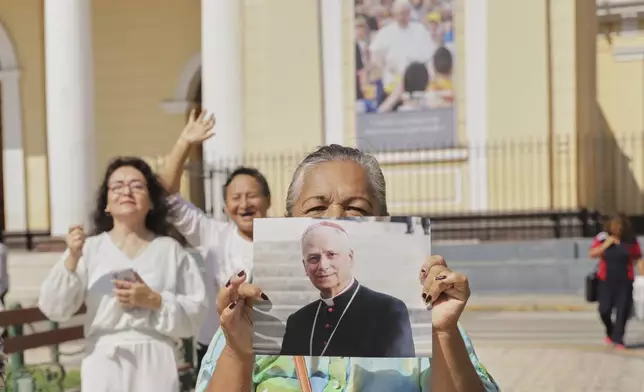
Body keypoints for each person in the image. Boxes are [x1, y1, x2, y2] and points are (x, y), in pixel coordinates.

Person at [196, 144, 499, 392]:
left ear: (383, 222)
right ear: (289, 222)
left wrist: (443, 335)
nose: (336, 218)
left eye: (356, 209)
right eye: (316, 208)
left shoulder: (412, 316)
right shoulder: (254, 318)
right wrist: (238, 353)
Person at [38, 157, 208, 392]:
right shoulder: (89, 249)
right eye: (117, 186)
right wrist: (72, 258)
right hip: (104, 361)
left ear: (151, 201)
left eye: (137, 186)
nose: (126, 191)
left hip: (156, 360)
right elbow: (54, 308)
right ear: (106, 204)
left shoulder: (170, 251)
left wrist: (155, 301)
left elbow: (195, 314)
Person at [158, 109, 272, 371]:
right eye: (236, 198)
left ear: (267, 200)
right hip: (217, 346)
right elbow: (166, 197)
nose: (244, 204)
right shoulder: (212, 234)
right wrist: (184, 142)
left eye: (252, 196)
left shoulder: (287, 239)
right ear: (225, 206)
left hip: (272, 350)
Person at [280, 221, 415, 358]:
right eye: (314, 258)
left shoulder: (388, 311)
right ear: (305, 266)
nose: (323, 265)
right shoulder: (297, 322)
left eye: (331, 254)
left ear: (350, 258)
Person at [589, 214, 644, 349]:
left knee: (622, 311)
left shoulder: (631, 240)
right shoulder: (602, 238)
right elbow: (592, 254)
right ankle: (610, 330)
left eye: (621, 227)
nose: (619, 230)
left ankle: (618, 338)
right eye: (616, 227)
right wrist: (605, 245)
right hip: (605, 281)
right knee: (604, 310)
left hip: (625, 281)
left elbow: (638, 258)